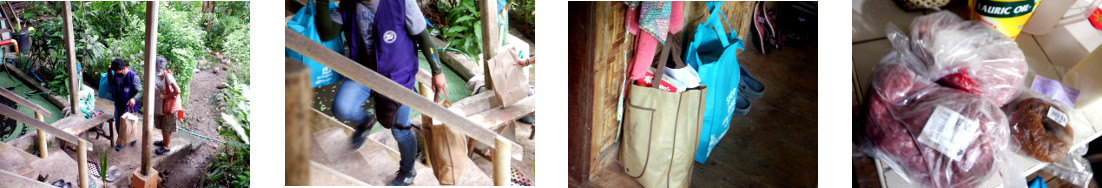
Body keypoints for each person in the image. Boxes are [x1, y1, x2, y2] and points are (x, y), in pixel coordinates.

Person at [315, 0, 448, 185]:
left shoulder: (402, 3)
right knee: (342, 108)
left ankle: (408, 170)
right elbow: (327, 32)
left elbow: (424, 37)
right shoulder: (348, 3)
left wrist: (437, 71)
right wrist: (321, 3)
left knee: (400, 129)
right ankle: (365, 122)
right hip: (363, 71)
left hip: (396, 76)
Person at [109, 58, 142, 151]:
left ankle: (133, 137)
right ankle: (121, 141)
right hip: (119, 104)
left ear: (124, 68)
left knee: (131, 124)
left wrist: (134, 98)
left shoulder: (133, 77)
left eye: (118, 71)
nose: (116, 73)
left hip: (130, 106)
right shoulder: (116, 74)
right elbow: (111, 81)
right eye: (115, 72)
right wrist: (109, 70)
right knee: (118, 124)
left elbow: (140, 92)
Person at [153, 56, 181, 155]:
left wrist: (165, 96)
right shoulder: (156, 75)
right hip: (161, 104)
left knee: (167, 127)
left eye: (158, 70)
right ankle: (164, 141)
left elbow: (178, 91)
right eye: (155, 69)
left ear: (164, 69)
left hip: (169, 105)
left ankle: (166, 146)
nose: (156, 71)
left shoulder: (168, 77)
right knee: (162, 125)